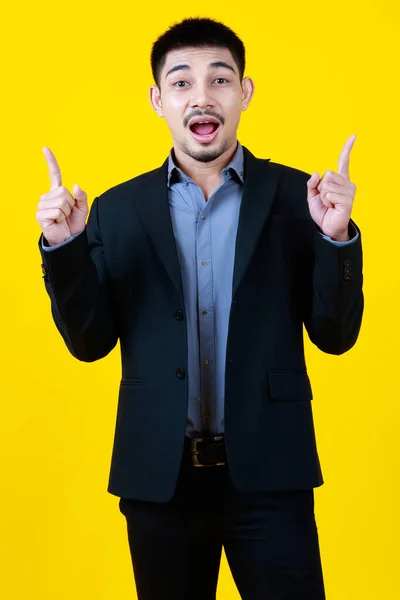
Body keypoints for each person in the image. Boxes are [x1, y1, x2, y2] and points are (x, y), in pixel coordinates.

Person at [37, 17, 363, 600]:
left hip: (270, 476)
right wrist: (64, 250)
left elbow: (335, 335)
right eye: (182, 82)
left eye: (220, 79)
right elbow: (89, 343)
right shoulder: (115, 210)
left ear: (245, 92)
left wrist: (336, 236)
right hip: (160, 483)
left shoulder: (299, 198)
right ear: (158, 99)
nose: (203, 96)